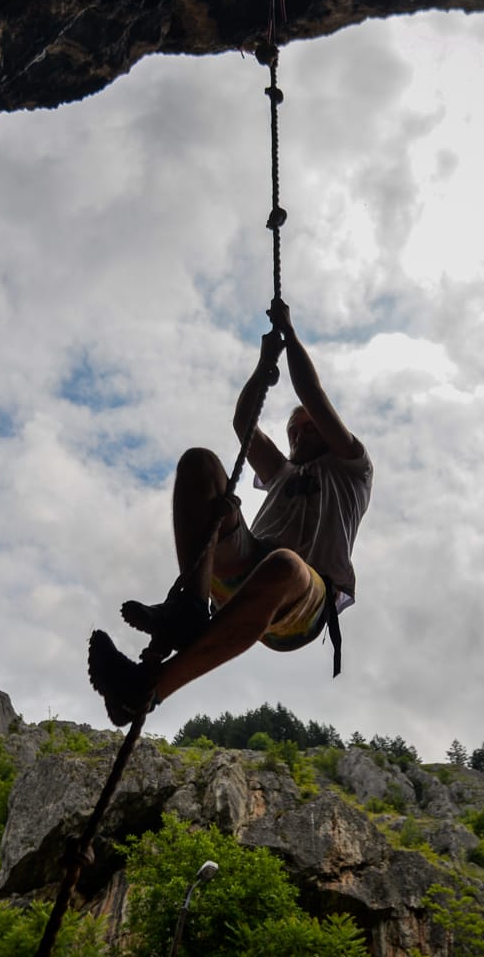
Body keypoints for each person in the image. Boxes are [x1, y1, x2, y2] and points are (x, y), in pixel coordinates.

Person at [88, 299, 373, 725]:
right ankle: (192, 605)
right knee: (200, 464)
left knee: (285, 565)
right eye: (292, 432)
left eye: (308, 427)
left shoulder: (351, 467)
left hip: (305, 599)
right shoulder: (281, 472)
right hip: (250, 568)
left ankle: (150, 688)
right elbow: (244, 423)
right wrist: (263, 366)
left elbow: (311, 395)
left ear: (328, 431)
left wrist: (290, 336)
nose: (298, 436)